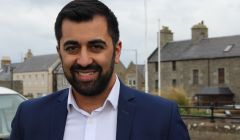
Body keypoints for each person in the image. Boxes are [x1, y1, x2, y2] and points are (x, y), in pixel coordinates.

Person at [10, 0, 190, 140]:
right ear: (60, 52)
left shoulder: (162, 118)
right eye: (72, 48)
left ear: (117, 51)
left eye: (96, 46)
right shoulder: (29, 117)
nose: (84, 60)